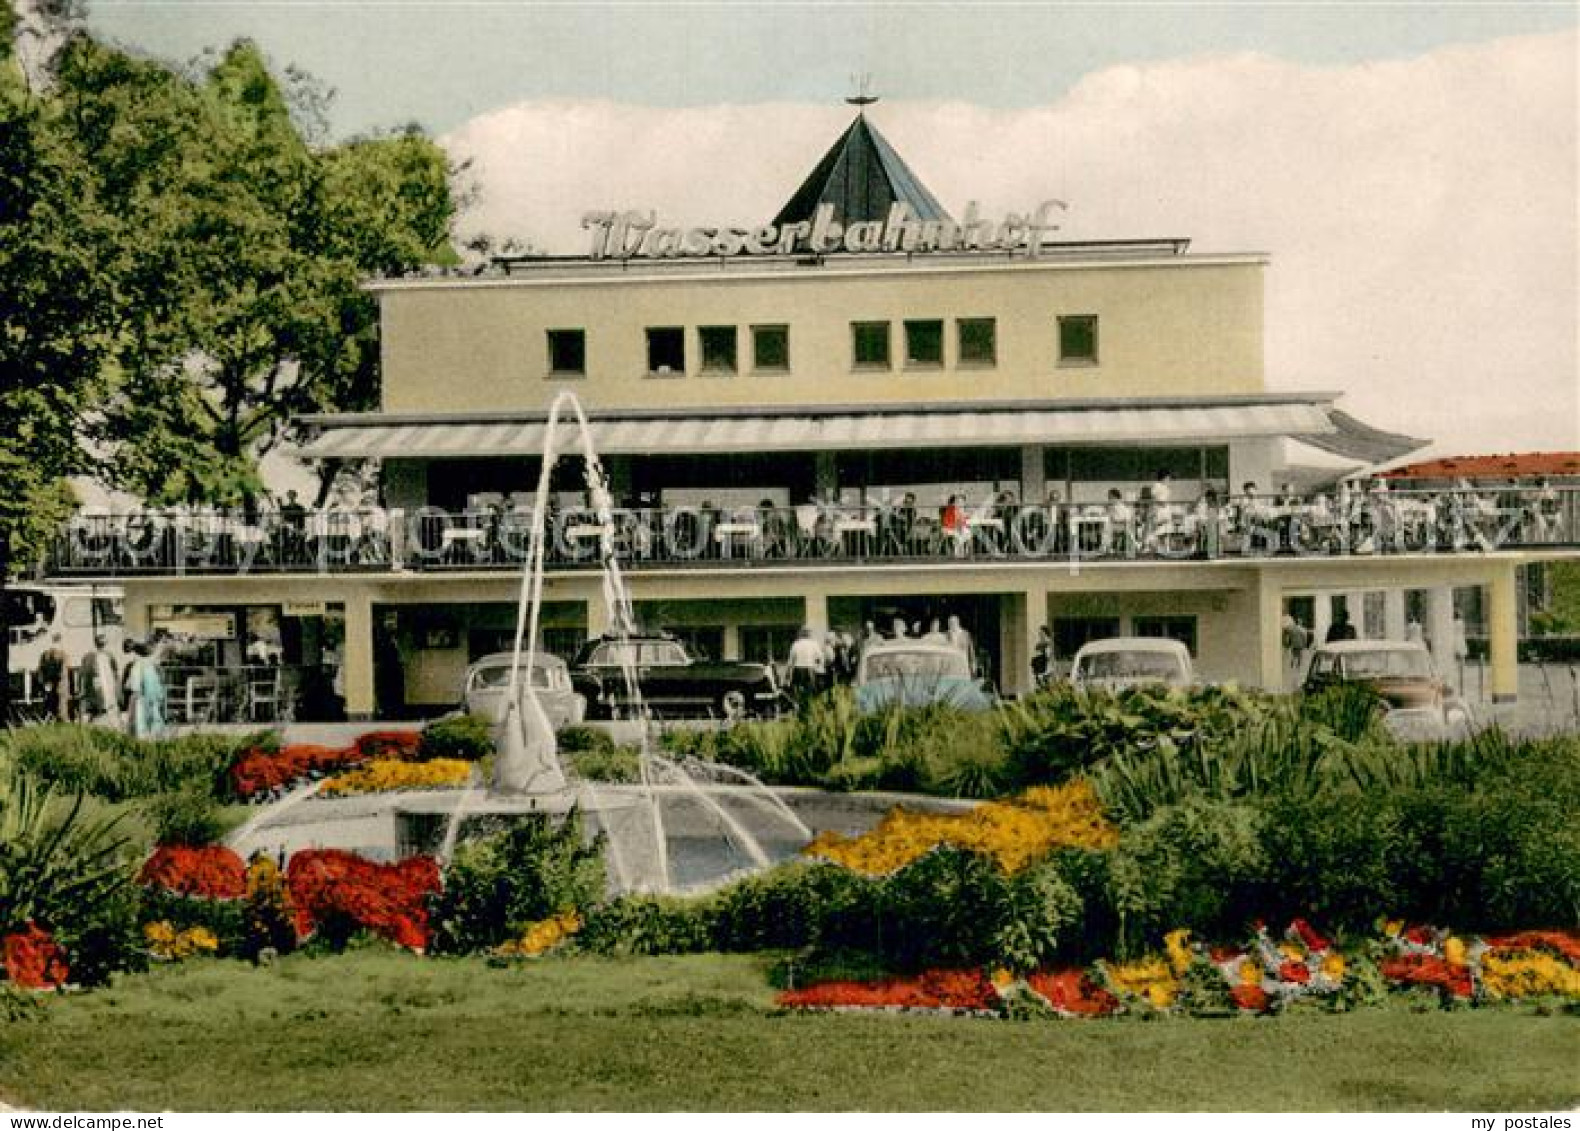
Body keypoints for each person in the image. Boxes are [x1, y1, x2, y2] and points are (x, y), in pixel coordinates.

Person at [122, 641, 166, 739]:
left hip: (140, 699)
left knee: (140, 723)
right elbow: (159, 686)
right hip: (151, 699)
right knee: (152, 722)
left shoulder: (136, 665)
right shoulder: (152, 666)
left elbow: (132, 686)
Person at [77, 632, 122, 728]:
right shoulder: (109, 655)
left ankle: (96, 722)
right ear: (105, 643)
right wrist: (117, 686)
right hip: (105, 684)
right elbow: (115, 672)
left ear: (95, 643)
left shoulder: (88, 656)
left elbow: (82, 673)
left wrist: (81, 687)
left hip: (94, 684)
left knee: (97, 707)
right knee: (106, 707)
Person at [35, 632, 70, 721]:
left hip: (48, 683)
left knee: (48, 702)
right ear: (60, 641)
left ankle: (47, 718)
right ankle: (61, 719)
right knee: (61, 704)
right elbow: (64, 671)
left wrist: (43, 682)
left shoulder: (45, 654)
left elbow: (40, 670)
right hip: (60, 684)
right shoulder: (63, 654)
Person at [786, 627, 826, 699]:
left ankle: (799, 701)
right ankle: (808, 701)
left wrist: (788, 673)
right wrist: (817, 666)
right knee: (810, 689)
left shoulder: (796, 644)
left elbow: (790, 660)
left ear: (801, 634)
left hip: (798, 669)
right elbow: (820, 657)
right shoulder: (814, 644)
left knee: (797, 689)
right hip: (809, 668)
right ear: (809, 634)